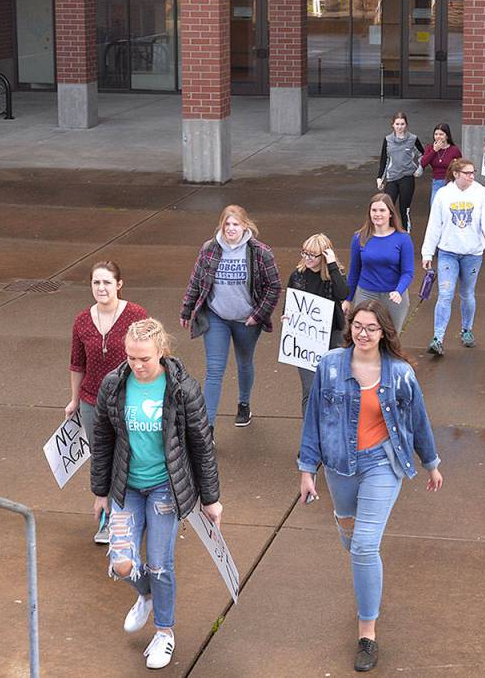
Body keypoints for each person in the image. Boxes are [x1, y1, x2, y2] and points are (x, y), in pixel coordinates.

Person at [298, 299, 443, 673]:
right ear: (351, 328)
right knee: (350, 535)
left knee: (364, 546)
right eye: (358, 326)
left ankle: (367, 634)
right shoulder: (330, 366)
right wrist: (306, 470)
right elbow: (313, 419)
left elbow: (419, 419)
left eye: (371, 328)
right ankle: (365, 573)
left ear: (384, 332)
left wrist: (431, 463)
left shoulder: (399, 374)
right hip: (339, 466)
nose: (363, 333)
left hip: (383, 462)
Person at [91, 318, 222, 670]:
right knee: (121, 563)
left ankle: (164, 632)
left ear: (161, 352)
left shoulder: (182, 388)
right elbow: (102, 439)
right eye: (131, 357)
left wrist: (211, 499)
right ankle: (146, 594)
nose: (136, 365)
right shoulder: (114, 384)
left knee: (160, 564)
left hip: (165, 487)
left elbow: (201, 445)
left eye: (144, 358)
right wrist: (99, 492)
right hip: (126, 486)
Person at [180, 205, 282, 435]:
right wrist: (187, 311)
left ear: (245, 225)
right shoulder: (209, 249)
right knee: (214, 370)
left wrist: (259, 315)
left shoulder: (260, 252)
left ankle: (244, 404)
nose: (231, 229)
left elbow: (274, 286)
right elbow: (196, 281)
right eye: (227, 224)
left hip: (247, 319)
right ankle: (207, 430)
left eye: (236, 224)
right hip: (217, 316)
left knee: (244, 362)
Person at [67, 261, 148, 544]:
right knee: (102, 458)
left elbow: (148, 356)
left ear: (119, 285)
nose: (101, 288)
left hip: (129, 399)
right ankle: (108, 518)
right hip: (92, 401)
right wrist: (75, 400)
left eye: (107, 283)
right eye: (96, 283)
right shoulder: (81, 320)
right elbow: (77, 364)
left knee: (129, 456)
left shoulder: (136, 315)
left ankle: (132, 512)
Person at [422, 158, 485, 356]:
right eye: (467, 173)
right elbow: (434, 225)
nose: (472, 176)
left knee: (467, 294)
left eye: (473, 172)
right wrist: (427, 252)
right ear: (456, 174)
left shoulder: (481, 192)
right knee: (445, 294)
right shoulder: (443, 194)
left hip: (472, 253)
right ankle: (438, 338)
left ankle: (467, 330)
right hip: (448, 252)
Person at [286, 233, 349, 413]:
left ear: (324, 256)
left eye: (312, 255)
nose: (307, 258)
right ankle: (310, 433)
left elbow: (343, 293)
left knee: (331, 386)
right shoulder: (297, 276)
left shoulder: (334, 276)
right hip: (305, 339)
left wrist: (332, 265)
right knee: (310, 388)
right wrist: (287, 317)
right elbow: (290, 304)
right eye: (304, 253)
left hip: (331, 337)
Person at [343, 194, 416, 333]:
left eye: (382, 210)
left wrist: (399, 291)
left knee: (391, 338)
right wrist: (348, 299)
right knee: (363, 335)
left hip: (393, 296)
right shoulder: (359, 238)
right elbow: (354, 271)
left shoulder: (403, 238)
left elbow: (408, 272)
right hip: (366, 294)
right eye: (374, 210)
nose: (377, 214)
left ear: (390, 213)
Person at [376, 111, 425, 231]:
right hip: (392, 177)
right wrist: (380, 178)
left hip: (407, 177)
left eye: (402, 124)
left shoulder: (413, 139)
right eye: (397, 124)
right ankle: (388, 231)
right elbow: (384, 160)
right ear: (392, 125)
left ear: (406, 125)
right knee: (387, 205)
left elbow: (423, 155)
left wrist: (420, 168)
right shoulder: (388, 140)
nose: (399, 127)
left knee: (404, 208)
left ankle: (405, 234)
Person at [420, 123, 462, 206]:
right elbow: (423, 163)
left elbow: (460, 166)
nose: (438, 136)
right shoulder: (430, 148)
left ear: (447, 136)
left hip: (451, 182)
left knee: (450, 207)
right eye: (436, 134)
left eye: (441, 134)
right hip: (437, 181)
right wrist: (434, 150)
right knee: (435, 206)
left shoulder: (454, 150)